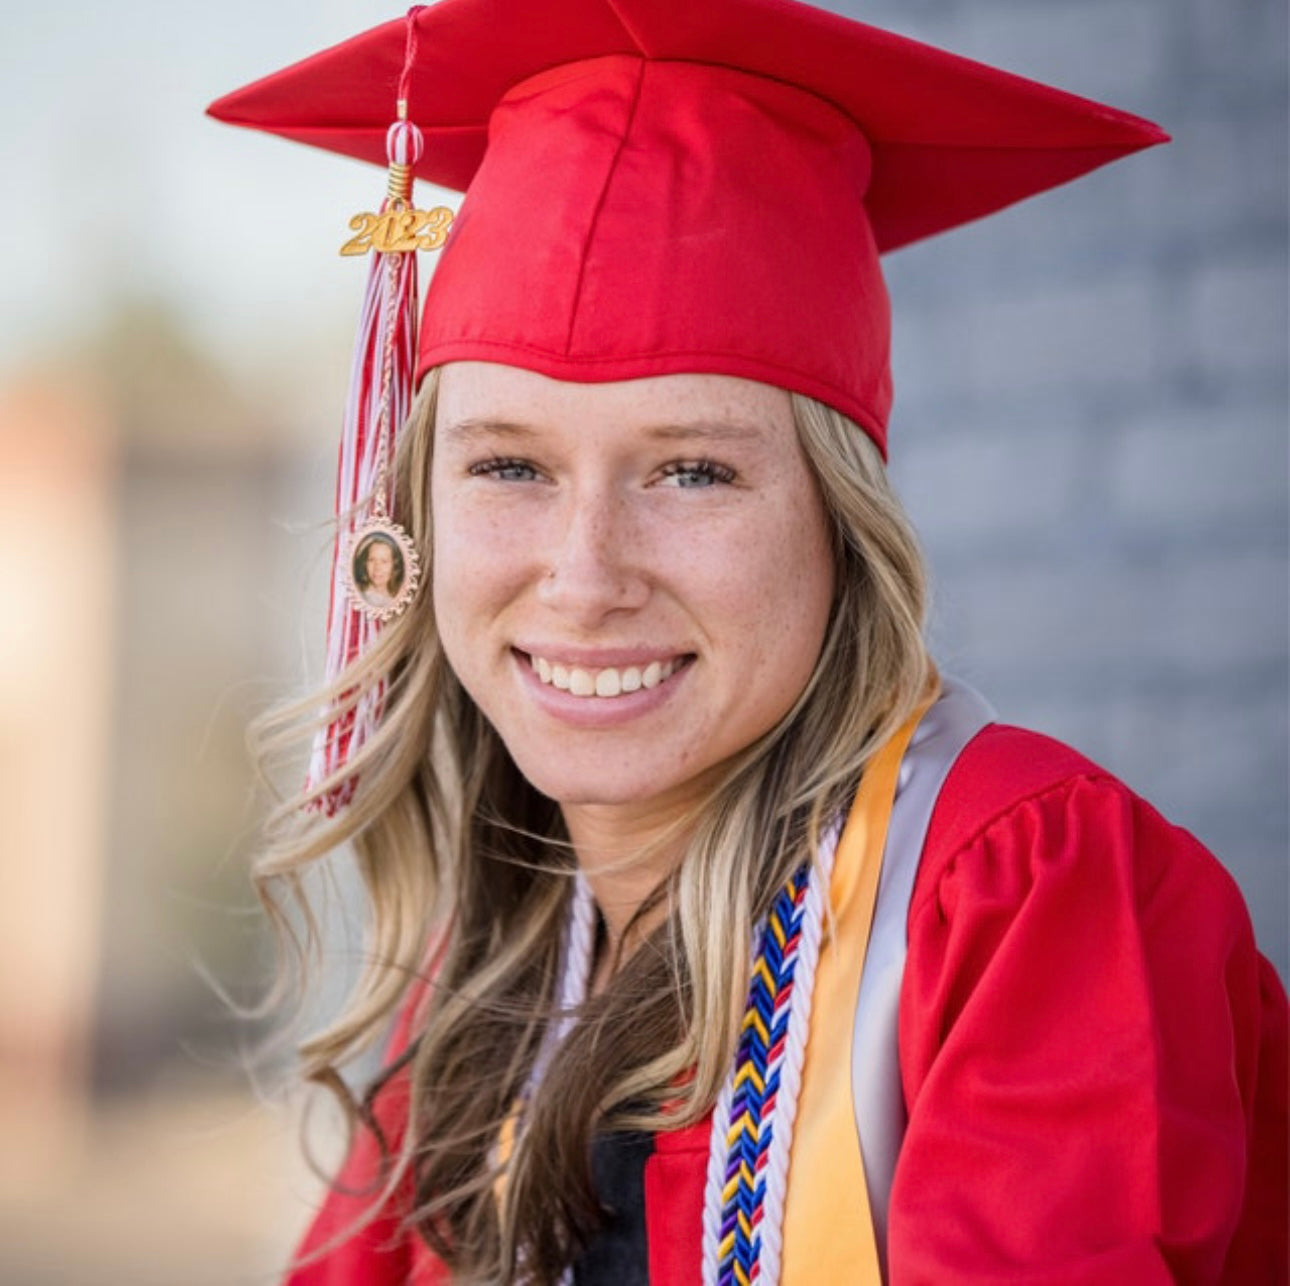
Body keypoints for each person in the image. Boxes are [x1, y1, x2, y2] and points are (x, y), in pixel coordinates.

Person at [210, 0, 1288, 1282]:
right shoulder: (494, 972)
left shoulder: (1018, 892)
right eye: (508, 464)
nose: (584, 574)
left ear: (841, 520)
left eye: (693, 473)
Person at [354, 534, 404, 612]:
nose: (377, 568)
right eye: (372, 560)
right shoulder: (358, 596)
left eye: (384, 561)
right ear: (365, 563)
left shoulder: (400, 601)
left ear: (394, 566)